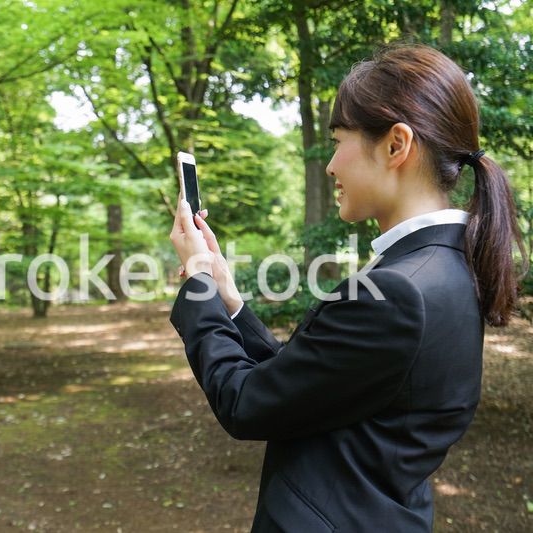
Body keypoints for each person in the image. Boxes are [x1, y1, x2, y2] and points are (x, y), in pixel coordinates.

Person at [168, 43, 527, 532]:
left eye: (340, 140)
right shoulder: (446, 271)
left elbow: (246, 404)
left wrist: (199, 285)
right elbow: (306, 384)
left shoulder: (396, 294)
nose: (331, 165)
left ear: (396, 145)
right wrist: (228, 298)